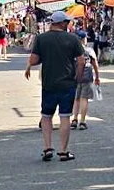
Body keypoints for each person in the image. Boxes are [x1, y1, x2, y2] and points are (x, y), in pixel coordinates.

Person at [26, 11, 86, 162]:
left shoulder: (41, 38)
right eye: (67, 22)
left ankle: (47, 148)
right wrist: (77, 78)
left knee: (46, 116)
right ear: (62, 23)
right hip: (68, 83)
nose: (68, 24)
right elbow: (81, 61)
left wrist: (43, 58)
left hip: (49, 84)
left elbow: (33, 60)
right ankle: (64, 152)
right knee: (65, 116)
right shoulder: (73, 39)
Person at [70, 29, 100, 130]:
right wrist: (97, 77)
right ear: (83, 39)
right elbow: (95, 65)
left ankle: (74, 119)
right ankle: (82, 121)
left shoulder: (72, 51)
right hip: (87, 76)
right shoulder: (89, 50)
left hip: (75, 76)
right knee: (84, 99)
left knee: (76, 99)